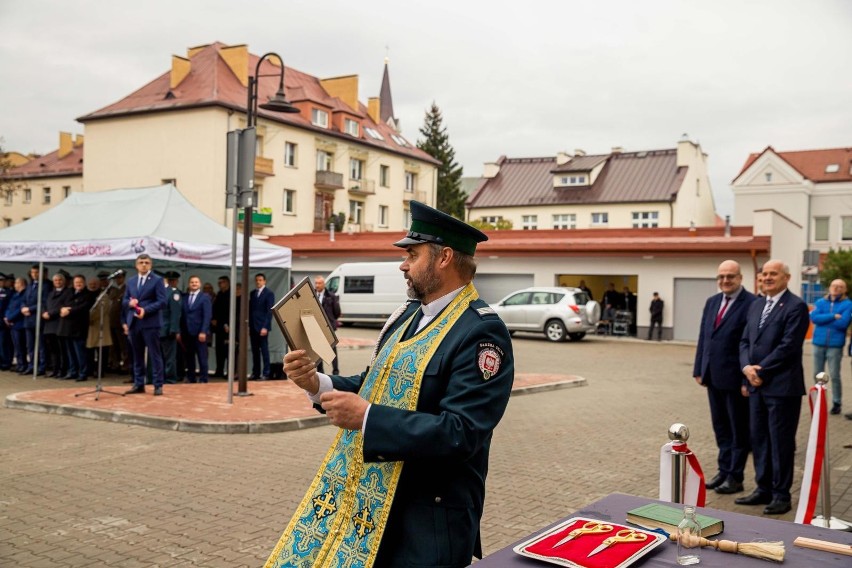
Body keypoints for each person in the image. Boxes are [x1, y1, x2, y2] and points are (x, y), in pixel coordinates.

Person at [269, 201, 514, 567]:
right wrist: (317, 383)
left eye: (412, 255)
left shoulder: (480, 332)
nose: (402, 265)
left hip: (426, 521)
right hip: (369, 504)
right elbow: (374, 383)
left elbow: (460, 432)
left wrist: (368, 418)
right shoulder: (409, 314)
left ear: (444, 257)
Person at [736, 259, 810, 515]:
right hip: (756, 386)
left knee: (780, 442)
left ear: (786, 278)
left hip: (781, 387)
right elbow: (745, 341)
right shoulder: (757, 305)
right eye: (764, 273)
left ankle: (781, 494)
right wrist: (746, 368)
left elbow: (789, 347)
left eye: (773, 274)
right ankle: (763, 488)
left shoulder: (796, 306)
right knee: (759, 440)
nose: (767, 277)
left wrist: (760, 370)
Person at [693, 260, 756, 495]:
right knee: (720, 427)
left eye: (730, 276)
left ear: (740, 278)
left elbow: (750, 344)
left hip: (735, 379)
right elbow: (704, 337)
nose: (725, 281)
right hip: (712, 376)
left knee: (738, 429)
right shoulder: (712, 302)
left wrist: (745, 380)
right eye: (721, 277)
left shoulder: (751, 303)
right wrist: (699, 368)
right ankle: (724, 469)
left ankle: (735, 477)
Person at [123, 254, 167, 395]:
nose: (143, 265)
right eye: (141, 262)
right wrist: (130, 303)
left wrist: (146, 310)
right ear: (136, 265)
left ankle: (158, 384)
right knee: (137, 355)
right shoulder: (131, 281)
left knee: (154, 354)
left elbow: (162, 301)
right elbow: (124, 300)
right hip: (134, 323)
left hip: (150, 322)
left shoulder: (157, 280)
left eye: (146, 262)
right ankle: (138, 383)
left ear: (151, 265)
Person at [809, 279, 851, 415]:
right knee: (817, 374)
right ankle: (818, 401)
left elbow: (843, 323)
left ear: (845, 290)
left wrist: (824, 320)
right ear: (829, 287)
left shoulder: (848, 304)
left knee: (834, 375)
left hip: (835, 345)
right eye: (834, 285)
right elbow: (814, 318)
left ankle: (837, 402)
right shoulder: (821, 302)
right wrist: (833, 316)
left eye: (840, 286)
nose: (836, 288)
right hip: (818, 343)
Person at [59, 275, 95, 382]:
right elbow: (63, 303)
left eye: (80, 282)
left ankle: (83, 373)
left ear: (84, 283)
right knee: (70, 352)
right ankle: (72, 371)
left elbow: (84, 307)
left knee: (80, 352)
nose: (78, 284)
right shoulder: (69, 293)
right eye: (76, 282)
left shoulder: (88, 294)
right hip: (67, 327)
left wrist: (70, 310)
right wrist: (64, 308)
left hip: (79, 327)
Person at [179, 275, 212, 383]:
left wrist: (203, 331)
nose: (194, 284)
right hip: (187, 332)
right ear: (189, 284)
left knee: (202, 357)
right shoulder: (184, 297)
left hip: (199, 332)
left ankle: (203, 378)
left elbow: (207, 316)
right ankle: (191, 377)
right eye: (192, 282)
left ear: (200, 284)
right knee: (189, 357)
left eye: (196, 282)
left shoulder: (205, 297)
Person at [21, 264, 51, 375]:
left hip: (38, 319)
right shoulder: (30, 285)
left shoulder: (46, 285)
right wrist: (23, 308)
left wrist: (30, 309)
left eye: (37, 272)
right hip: (28, 319)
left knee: (41, 345)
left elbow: (43, 302)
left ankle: (41, 367)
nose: (34, 274)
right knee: (30, 345)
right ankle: (31, 365)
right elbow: (24, 299)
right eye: (33, 272)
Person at [43, 273, 72, 378]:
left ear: (63, 281)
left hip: (59, 323)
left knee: (62, 350)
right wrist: (44, 312)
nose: (58, 282)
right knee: (53, 349)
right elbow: (45, 304)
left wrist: (50, 313)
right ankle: (55, 369)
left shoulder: (68, 292)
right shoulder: (51, 293)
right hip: (49, 325)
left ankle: (62, 370)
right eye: (55, 280)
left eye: (60, 280)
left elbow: (63, 306)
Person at [157, 272, 183, 384]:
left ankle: (170, 378)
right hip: (155, 329)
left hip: (167, 329)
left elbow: (175, 313)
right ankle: (157, 377)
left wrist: (174, 329)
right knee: (156, 356)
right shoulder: (157, 291)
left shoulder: (173, 293)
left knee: (169, 357)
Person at [86, 276, 113, 379]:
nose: (92, 285)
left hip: (100, 326)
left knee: (102, 350)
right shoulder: (87, 294)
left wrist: (87, 318)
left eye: (95, 284)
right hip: (89, 327)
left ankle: (100, 371)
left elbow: (101, 311)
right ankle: (90, 369)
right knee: (90, 351)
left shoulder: (103, 296)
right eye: (91, 284)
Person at [249, 273, 274, 380]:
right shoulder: (253, 293)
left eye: (260, 280)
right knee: (255, 351)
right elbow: (250, 311)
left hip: (262, 327)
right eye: (257, 280)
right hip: (253, 326)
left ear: (264, 281)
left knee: (264, 351)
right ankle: (256, 372)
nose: (258, 282)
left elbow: (269, 311)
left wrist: (265, 327)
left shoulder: (269, 293)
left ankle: (266, 373)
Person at [314, 275, 341, 375]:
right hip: (316, 327)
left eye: (319, 283)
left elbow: (337, 312)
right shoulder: (312, 294)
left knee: (332, 349)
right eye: (316, 283)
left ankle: (335, 371)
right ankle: (320, 371)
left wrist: (331, 321)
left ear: (324, 284)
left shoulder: (331, 296)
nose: (317, 285)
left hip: (328, 327)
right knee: (318, 349)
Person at [5, 278, 28, 373]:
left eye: (16, 283)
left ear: (22, 284)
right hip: (12, 324)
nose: (14, 284)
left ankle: (23, 364)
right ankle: (19, 364)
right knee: (16, 346)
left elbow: (20, 310)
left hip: (19, 324)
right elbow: (9, 307)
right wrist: (6, 317)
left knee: (21, 346)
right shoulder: (15, 295)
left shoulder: (24, 295)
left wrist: (10, 318)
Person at [211, 276, 230, 377]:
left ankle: (229, 371)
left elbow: (231, 311)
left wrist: (227, 324)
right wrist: (214, 318)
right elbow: (215, 308)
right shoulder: (219, 294)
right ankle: (219, 370)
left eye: (221, 282)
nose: (220, 285)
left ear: (227, 283)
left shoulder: (231, 294)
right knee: (219, 350)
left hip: (227, 327)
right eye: (219, 283)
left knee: (227, 350)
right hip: (218, 327)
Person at [0, 274, 11, 370]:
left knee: (3, 343)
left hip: (2, 322)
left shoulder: (7, 292)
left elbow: (8, 307)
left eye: (2, 280)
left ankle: (5, 363)